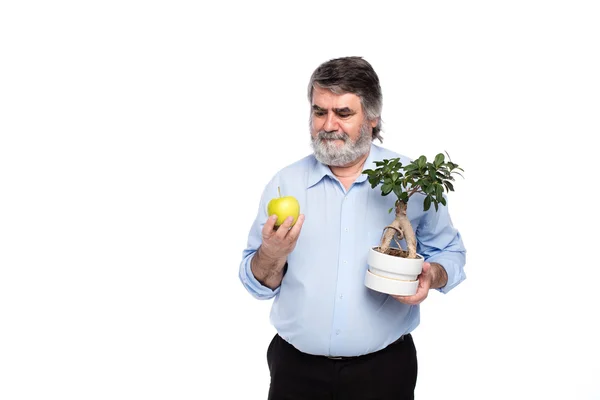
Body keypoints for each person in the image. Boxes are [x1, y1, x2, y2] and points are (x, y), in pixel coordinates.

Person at [238, 56, 467, 400]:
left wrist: (431, 276)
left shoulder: (412, 182)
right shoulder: (285, 183)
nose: (328, 125)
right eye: (319, 112)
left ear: (372, 119)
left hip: (384, 371)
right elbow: (256, 283)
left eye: (343, 113)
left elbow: (451, 253)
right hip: (295, 371)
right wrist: (271, 254)